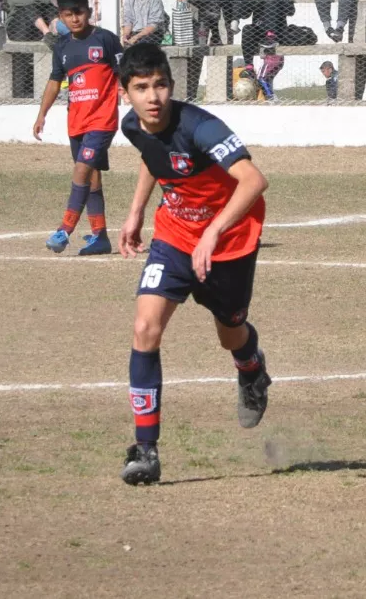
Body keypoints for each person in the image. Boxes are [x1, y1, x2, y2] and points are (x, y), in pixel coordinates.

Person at [115, 43, 273, 485]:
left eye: (160, 85)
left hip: (231, 242)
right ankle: (145, 449)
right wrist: (136, 212)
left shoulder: (201, 127)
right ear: (125, 91)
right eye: (141, 88)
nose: (153, 97)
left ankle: (251, 368)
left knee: (230, 333)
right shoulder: (133, 125)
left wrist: (214, 231)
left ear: (172, 84)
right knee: (145, 328)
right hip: (174, 237)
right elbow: (153, 157)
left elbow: (254, 180)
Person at [32, 0, 123, 257]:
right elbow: (54, 81)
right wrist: (42, 114)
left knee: (82, 171)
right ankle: (100, 237)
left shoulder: (106, 40)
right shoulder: (62, 46)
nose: (75, 19)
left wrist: (129, 92)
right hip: (77, 121)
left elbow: (124, 71)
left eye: (79, 13)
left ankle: (64, 230)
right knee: (91, 179)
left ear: (89, 11)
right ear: (60, 16)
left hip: (102, 120)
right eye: (68, 15)